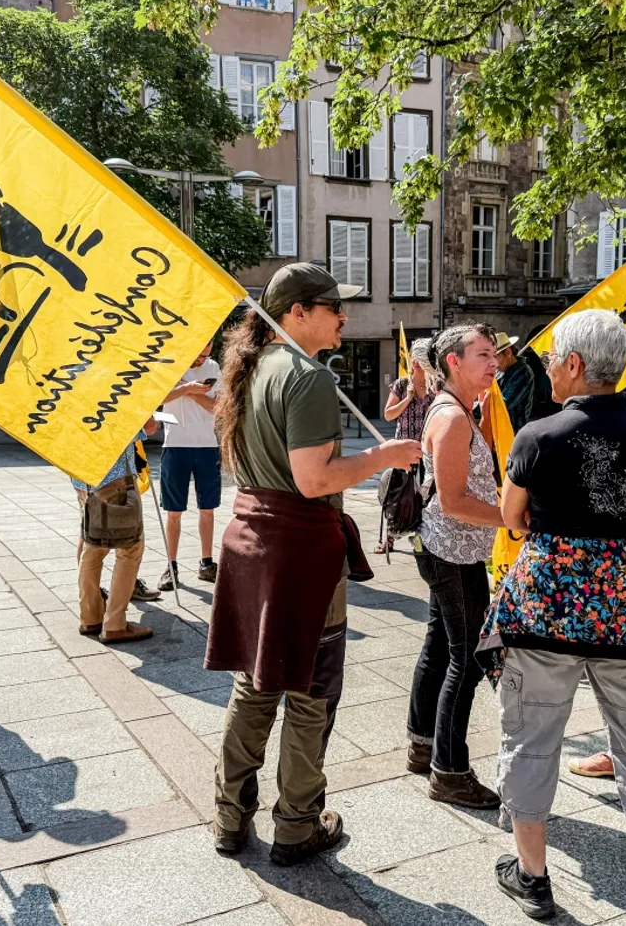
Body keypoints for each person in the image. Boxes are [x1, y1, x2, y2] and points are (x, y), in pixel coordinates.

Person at [205, 263, 421, 865]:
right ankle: (298, 824)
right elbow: (313, 479)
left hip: (252, 543)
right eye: (332, 305)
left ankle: (229, 816)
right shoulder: (308, 376)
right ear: (296, 312)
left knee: (252, 687)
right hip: (298, 552)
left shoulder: (248, 371)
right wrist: (384, 455)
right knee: (309, 693)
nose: (344, 315)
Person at [480, 310, 626, 923]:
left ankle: (532, 876)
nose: (545, 369)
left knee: (532, 737)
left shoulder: (538, 435)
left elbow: (513, 518)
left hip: (548, 606)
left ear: (574, 364)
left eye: (551, 359)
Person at [405, 324, 504, 811]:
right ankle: (450, 771)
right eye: (483, 354)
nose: (494, 363)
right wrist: (512, 517)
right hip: (452, 553)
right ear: (453, 363)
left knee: (440, 646)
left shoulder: (461, 410)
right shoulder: (452, 417)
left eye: (494, 354)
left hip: (451, 550)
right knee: (467, 659)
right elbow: (454, 500)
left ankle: (422, 745)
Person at [71, 425, 160, 643]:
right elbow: (145, 427)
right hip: (115, 479)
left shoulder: (72, 395)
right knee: (130, 549)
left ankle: (90, 617)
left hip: (83, 478)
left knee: (93, 546)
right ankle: (115, 623)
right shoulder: (115, 393)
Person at [157, 340, 221, 590]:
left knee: (208, 509)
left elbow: (218, 408)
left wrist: (191, 391)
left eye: (205, 356)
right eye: (197, 357)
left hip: (207, 446)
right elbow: (158, 399)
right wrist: (186, 389)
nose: (201, 361)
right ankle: (170, 566)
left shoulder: (214, 367)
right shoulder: (169, 364)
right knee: (173, 512)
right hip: (175, 446)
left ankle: (206, 563)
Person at [376, 336, 435, 552]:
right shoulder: (401, 385)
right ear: (417, 363)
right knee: (396, 494)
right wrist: (408, 398)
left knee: (425, 495)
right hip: (403, 450)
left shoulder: (434, 388)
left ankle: (423, 537)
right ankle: (388, 538)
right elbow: (389, 414)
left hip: (427, 450)